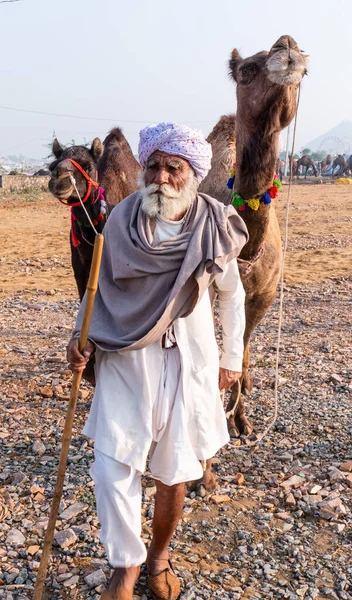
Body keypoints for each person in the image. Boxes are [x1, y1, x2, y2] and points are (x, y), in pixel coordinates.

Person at [67, 122, 248, 600]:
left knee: (176, 469)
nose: (161, 177)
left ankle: (160, 556)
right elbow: (97, 286)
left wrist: (233, 357)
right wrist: (79, 333)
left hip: (189, 365)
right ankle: (125, 564)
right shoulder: (121, 219)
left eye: (174, 167)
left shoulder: (214, 223)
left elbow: (232, 295)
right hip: (127, 356)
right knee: (110, 468)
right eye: (154, 166)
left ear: (191, 173)